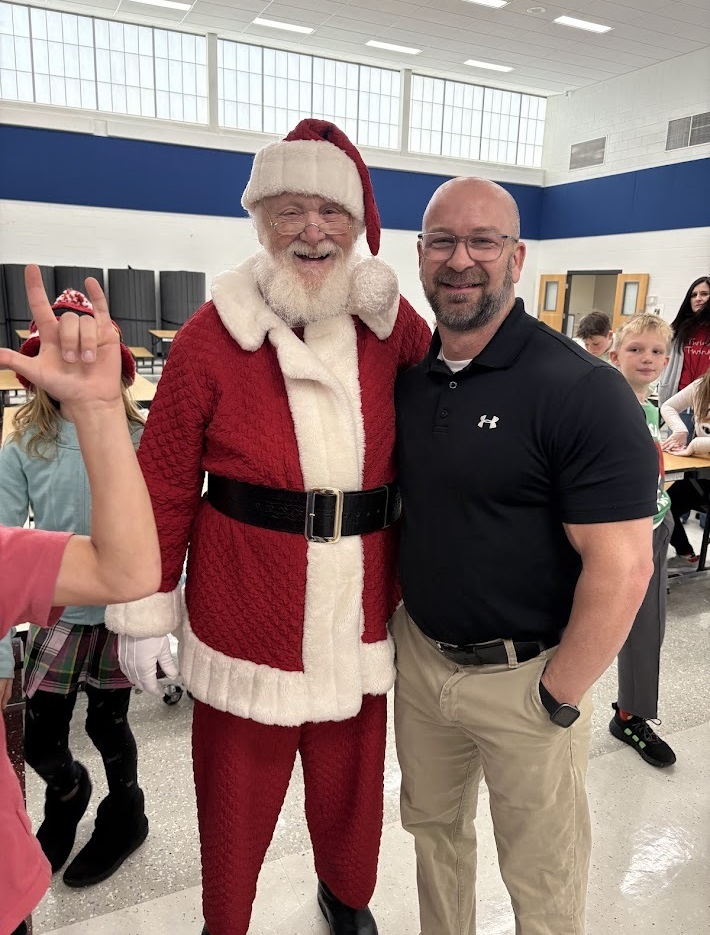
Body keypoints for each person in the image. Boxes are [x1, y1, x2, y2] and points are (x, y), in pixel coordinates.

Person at [103, 119, 431, 935]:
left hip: (358, 608)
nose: (312, 231)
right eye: (290, 210)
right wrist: (147, 610)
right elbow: (166, 483)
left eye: (331, 211)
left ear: (358, 226)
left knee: (353, 788)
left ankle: (346, 897)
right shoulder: (213, 337)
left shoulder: (395, 332)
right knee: (235, 802)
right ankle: (228, 922)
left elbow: (454, 423)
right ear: (260, 221)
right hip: (245, 611)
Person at [392, 176, 658, 935]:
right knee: (435, 837)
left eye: (484, 241)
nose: (461, 259)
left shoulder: (580, 390)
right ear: (420, 255)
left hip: (527, 679)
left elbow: (626, 567)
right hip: (424, 663)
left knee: (540, 879)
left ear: (518, 256)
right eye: (443, 240)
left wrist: (558, 693)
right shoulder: (411, 382)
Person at [0, 264, 160, 935]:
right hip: (59, 608)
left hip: (121, 614)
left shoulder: (138, 437)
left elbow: (160, 525)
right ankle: (68, 791)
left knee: (108, 723)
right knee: (41, 733)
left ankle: (126, 810)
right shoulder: (23, 445)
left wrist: (160, 615)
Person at [607, 315, 676, 766]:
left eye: (655, 352)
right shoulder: (604, 406)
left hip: (654, 527)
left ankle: (631, 715)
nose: (646, 359)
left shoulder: (651, 408)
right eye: (636, 350)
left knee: (646, 629)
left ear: (667, 360)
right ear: (615, 356)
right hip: (612, 536)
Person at [661, 364, 710, 562]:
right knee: (664, 505)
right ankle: (684, 550)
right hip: (702, 474)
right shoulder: (702, 386)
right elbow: (668, 405)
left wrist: (695, 444)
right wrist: (680, 430)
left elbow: (698, 443)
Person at [658, 276, 710, 407]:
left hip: (706, 401)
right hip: (680, 399)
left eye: (704, 294)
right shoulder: (678, 329)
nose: (698, 298)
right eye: (694, 295)